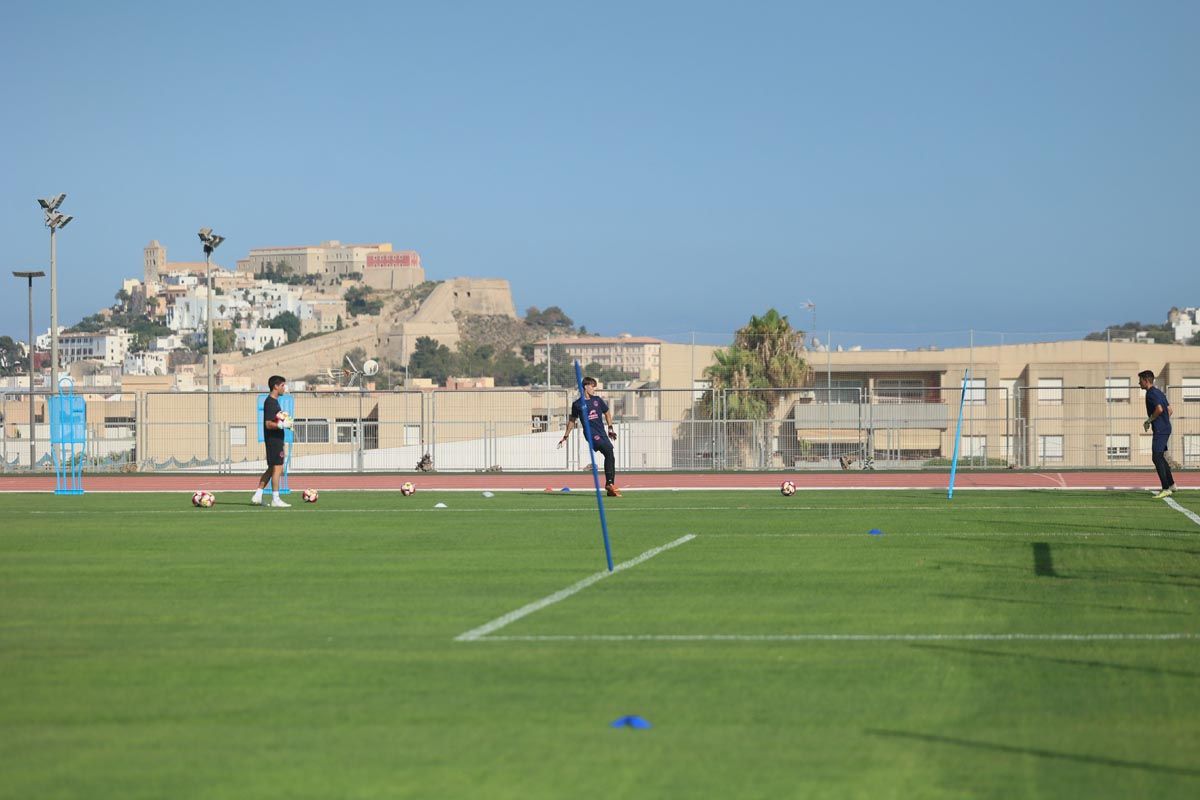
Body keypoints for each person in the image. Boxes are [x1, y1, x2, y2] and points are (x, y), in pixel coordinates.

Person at [558, 377, 621, 496]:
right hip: (591, 434)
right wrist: (565, 436)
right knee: (607, 449)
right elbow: (572, 420)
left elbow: (607, 412)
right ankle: (609, 484)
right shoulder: (577, 404)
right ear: (586, 387)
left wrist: (610, 428)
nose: (594, 389)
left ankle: (610, 484)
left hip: (601, 432)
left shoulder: (597, 400)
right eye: (592, 386)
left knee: (610, 453)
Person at [252, 375, 292, 507]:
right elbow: (268, 424)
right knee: (278, 467)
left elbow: (274, 419)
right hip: (274, 440)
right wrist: (281, 425)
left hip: (275, 439)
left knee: (271, 468)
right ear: (275, 386)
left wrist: (283, 420)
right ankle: (276, 499)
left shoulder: (274, 402)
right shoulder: (270, 402)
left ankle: (258, 495)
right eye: (282, 386)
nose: (284, 388)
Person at [1138, 370, 1175, 499]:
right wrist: (1164, 422)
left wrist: (1149, 420)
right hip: (1165, 428)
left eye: (1140, 380)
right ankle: (1171, 485)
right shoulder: (1159, 392)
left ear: (1146, 380)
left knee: (1156, 457)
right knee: (1160, 457)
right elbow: (1170, 410)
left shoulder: (1151, 394)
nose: (1139, 383)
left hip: (1160, 430)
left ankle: (1165, 488)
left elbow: (1159, 409)